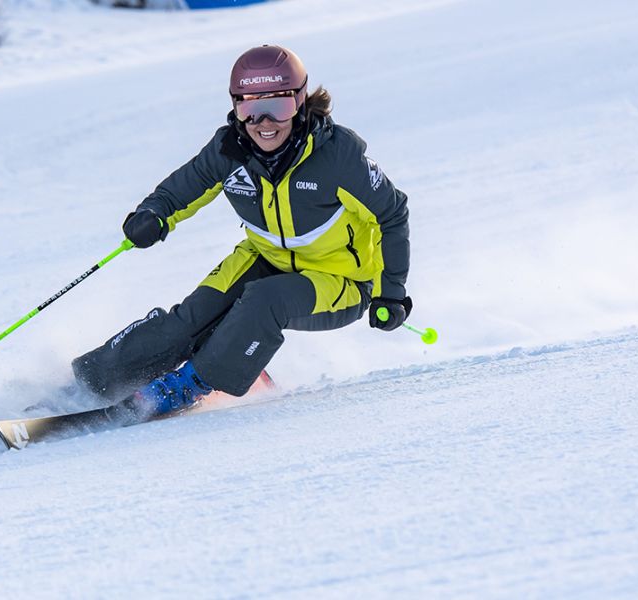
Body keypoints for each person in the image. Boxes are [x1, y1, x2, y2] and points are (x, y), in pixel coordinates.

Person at [71, 44, 412, 417]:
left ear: (300, 102)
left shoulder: (337, 155)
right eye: (250, 108)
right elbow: (186, 185)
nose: (264, 123)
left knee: (267, 300)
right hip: (265, 257)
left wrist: (390, 294)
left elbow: (391, 215)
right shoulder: (230, 149)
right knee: (188, 320)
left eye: (278, 107)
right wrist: (154, 213)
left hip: (341, 281)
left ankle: (191, 384)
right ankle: (96, 381)